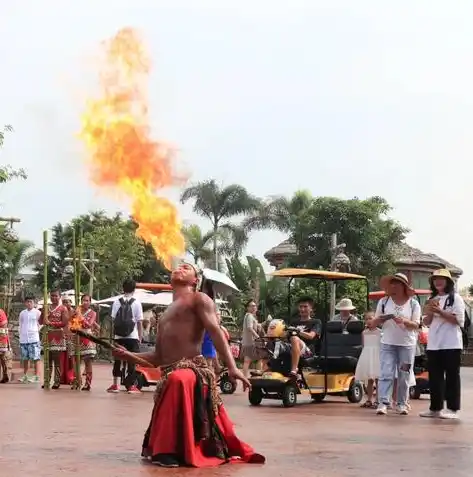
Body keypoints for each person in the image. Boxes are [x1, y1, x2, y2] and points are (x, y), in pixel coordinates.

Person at [113, 262, 265, 468]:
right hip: (170, 371)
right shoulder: (165, 314)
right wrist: (128, 355)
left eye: (187, 267)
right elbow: (158, 357)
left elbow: (215, 332)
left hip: (193, 368)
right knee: (173, 378)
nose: (180, 268)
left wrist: (232, 366)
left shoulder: (199, 299)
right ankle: (167, 449)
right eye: (178, 267)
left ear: (195, 280)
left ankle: (167, 451)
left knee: (178, 379)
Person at [420, 269, 465, 420]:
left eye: (441, 279)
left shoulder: (456, 298)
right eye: (435, 279)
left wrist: (440, 311)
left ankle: (453, 409)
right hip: (434, 344)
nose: (438, 282)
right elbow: (426, 322)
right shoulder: (431, 298)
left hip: (451, 343)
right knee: (435, 377)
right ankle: (435, 408)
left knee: (452, 376)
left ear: (448, 282)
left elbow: (458, 320)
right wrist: (431, 312)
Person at [373, 273, 421, 415]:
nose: (394, 285)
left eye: (397, 283)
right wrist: (381, 319)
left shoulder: (413, 303)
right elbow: (374, 322)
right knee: (386, 372)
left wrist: (405, 321)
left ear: (404, 286)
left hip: (407, 345)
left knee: (404, 373)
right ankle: (383, 402)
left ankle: (401, 403)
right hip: (387, 343)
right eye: (392, 283)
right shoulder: (383, 302)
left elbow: (416, 325)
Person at [107, 278, 143, 394]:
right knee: (131, 360)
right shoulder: (137, 302)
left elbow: (113, 320)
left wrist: (113, 336)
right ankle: (131, 385)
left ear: (123, 288)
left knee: (117, 360)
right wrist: (140, 336)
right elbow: (139, 321)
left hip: (118, 336)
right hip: (132, 336)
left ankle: (115, 384)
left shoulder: (116, 302)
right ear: (134, 289)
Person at [39, 290, 69, 389]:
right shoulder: (47, 307)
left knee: (56, 360)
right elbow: (40, 321)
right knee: (47, 360)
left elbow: (64, 322)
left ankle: (57, 381)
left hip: (58, 336)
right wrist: (43, 312)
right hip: (48, 336)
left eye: (56, 296)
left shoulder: (63, 308)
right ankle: (47, 380)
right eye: (52, 296)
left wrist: (51, 323)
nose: (54, 298)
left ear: (59, 297)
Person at [288, 296, 321, 377]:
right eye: (300, 307)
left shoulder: (316, 322)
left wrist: (297, 331)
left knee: (295, 338)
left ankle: (294, 369)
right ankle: (266, 368)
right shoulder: (294, 322)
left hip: (308, 353)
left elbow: (311, 336)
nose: (302, 309)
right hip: (292, 347)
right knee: (273, 341)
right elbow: (286, 337)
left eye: (305, 307)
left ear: (311, 309)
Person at [356, 311, 380, 408]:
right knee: (369, 379)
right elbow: (364, 345)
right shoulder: (364, 332)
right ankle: (369, 399)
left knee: (378, 379)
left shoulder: (380, 332)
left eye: (371, 318)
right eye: (366, 319)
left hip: (377, 356)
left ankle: (378, 400)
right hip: (367, 355)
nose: (369, 321)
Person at [76, 294, 98, 391]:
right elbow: (71, 322)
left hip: (87, 338)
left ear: (90, 302)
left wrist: (80, 316)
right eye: (83, 300)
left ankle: (88, 383)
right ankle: (77, 381)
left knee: (87, 362)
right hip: (76, 338)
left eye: (87, 300)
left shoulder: (92, 313)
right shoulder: (76, 311)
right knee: (76, 361)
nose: (85, 302)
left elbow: (88, 325)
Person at [18, 295, 42, 383]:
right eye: (27, 302)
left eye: (30, 302)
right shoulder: (22, 313)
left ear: (34, 303)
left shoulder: (37, 313)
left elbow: (41, 324)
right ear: (25, 303)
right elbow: (20, 325)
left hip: (34, 338)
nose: (29, 303)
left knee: (36, 358)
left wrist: (35, 331)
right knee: (25, 358)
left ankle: (36, 376)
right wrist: (21, 335)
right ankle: (25, 375)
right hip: (24, 339)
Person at [241, 300, 262, 378]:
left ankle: (253, 375)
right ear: (247, 308)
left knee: (255, 359)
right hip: (250, 342)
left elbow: (254, 326)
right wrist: (258, 337)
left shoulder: (249, 316)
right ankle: (246, 377)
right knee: (248, 360)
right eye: (251, 306)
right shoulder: (249, 316)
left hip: (249, 342)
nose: (254, 307)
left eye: (255, 306)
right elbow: (249, 328)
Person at [0, 307, 10, 383]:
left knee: (3, 358)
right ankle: (5, 375)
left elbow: (4, 324)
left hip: (1, 339)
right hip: (2, 338)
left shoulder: (1, 312)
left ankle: (5, 375)